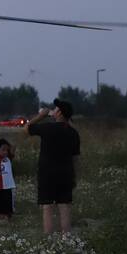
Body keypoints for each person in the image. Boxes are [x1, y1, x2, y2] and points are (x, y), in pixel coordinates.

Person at [25, 98, 80, 234]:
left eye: (56, 109)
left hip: (47, 174)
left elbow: (26, 129)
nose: (53, 111)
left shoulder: (47, 128)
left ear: (60, 113)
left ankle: (48, 241)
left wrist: (41, 116)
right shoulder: (73, 133)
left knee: (47, 208)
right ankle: (66, 240)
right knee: (64, 207)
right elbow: (75, 158)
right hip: (66, 174)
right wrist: (74, 176)